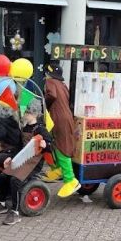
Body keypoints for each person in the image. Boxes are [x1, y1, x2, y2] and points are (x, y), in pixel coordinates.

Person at [0, 99, 53, 226]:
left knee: (15, 180)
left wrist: (45, 144)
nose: (25, 114)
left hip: (34, 163)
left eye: (28, 112)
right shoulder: (24, 128)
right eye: (25, 112)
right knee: (4, 175)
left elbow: (50, 146)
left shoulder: (41, 129)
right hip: (22, 159)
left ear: (35, 114)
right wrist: (11, 158)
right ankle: (2, 203)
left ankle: (15, 212)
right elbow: (19, 147)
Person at [44, 63, 80, 198]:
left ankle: (71, 180)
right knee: (52, 145)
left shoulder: (50, 81)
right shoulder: (63, 85)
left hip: (59, 120)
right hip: (64, 118)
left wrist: (43, 104)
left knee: (61, 147)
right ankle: (57, 169)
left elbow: (51, 95)